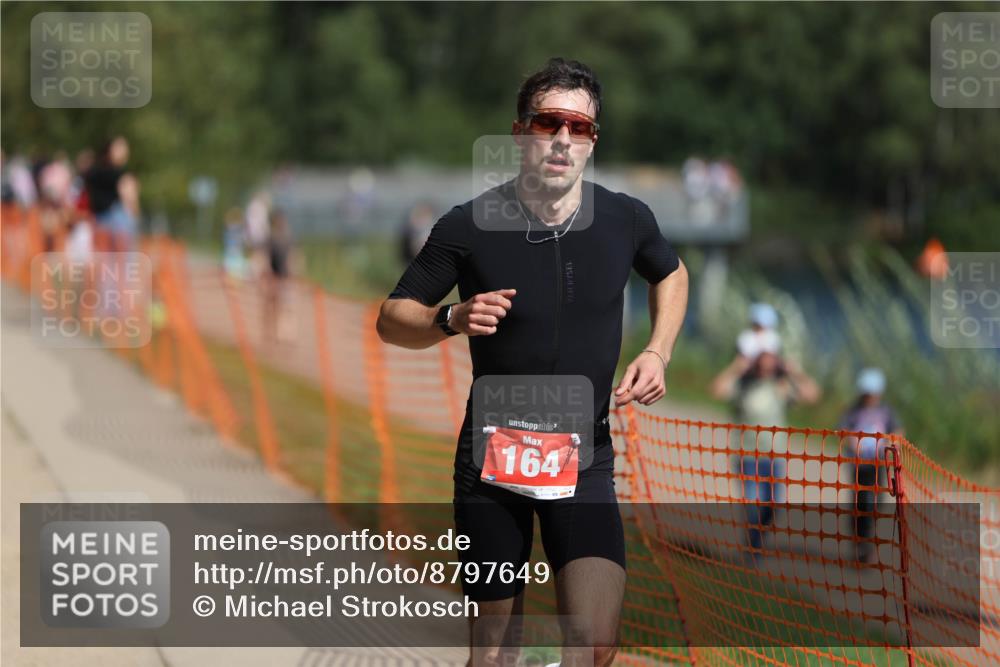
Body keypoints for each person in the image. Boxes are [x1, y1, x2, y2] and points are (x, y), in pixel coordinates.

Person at [376, 58, 689, 667]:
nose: (564, 138)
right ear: (521, 132)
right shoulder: (469, 226)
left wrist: (659, 350)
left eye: (581, 127)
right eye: (550, 122)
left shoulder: (625, 219)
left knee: (595, 644)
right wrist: (450, 319)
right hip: (492, 467)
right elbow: (392, 318)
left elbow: (672, 273)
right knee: (493, 657)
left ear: (594, 141)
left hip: (585, 460)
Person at [712, 350, 821, 561]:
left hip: (774, 455)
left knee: (772, 505)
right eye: (762, 358)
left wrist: (796, 372)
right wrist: (736, 368)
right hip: (747, 454)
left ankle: (756, 542)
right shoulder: (743, 383)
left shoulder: (781, 386)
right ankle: (752, 551)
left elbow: (812, 396)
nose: (766, 363)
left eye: (771, 358)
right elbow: (717, 390)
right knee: (752, 504)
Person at [838, 368, 903, 565]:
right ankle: (859, 543)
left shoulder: (886, 411)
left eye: (872, 393)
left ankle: (868, 542)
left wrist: (893, 444)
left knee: (874, 502)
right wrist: (851, 443)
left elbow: (898, 431)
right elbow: (843, 430)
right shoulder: (853, 410)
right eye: (866, 393)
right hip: (859, 465)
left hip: (877, 464)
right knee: (858, 502)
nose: (869, 397)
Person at [84, 136, 140, 250]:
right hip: (117, 219)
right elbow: (129, 198)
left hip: (97, 220)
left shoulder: (94, 172)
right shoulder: (123, 175)